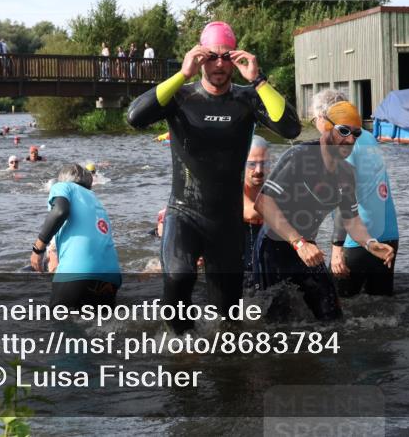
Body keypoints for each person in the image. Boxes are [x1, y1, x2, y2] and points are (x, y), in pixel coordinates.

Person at [127, 21, 301, 332]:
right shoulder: (181, 97)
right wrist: (182, 74)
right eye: (211, 56)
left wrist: (258, 80)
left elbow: (290, 128)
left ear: (235, 58)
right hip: (184, 212)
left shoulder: (247, 98)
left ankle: (223, 358)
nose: (219, 64)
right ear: (199, 57)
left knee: (228, 316)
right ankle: (181, 345)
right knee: (179, 277)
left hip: (227, 222)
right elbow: (135, 117)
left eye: (226, 56)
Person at [254, 100, 394, 321]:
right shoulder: (299, 155)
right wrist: (298, 243)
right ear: (327, 127)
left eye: (356, 133)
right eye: (344, 131)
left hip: (309, 249)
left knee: (333, 317)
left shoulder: (347, 172)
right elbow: (263, 202)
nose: (350, 140)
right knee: (276, 323)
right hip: (274, 248)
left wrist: (370, 243)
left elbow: (351, 220)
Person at [311, 90, 401, 296]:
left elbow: (344, 196)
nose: (316, 123)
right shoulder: (366, 136)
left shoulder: (342, 144)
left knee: (337, 304)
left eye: (316, 118)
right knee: (382, 304)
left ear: (325, 117)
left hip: (359, 239)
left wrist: (337, 250)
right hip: (389, 234)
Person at [30, 164, 122, 308]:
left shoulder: (63, 187)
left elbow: (60, 211)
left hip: (78, 272)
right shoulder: (95, 200)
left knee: (60, 320)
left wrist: (38, 249)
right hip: (111, 278)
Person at [242, 135, 269, 287]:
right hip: (238, 244)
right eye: (252, 164)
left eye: (263, 163)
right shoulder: (231, 185)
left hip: (264, 245)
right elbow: (250, 212)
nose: (259, 170)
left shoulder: (275, 186)